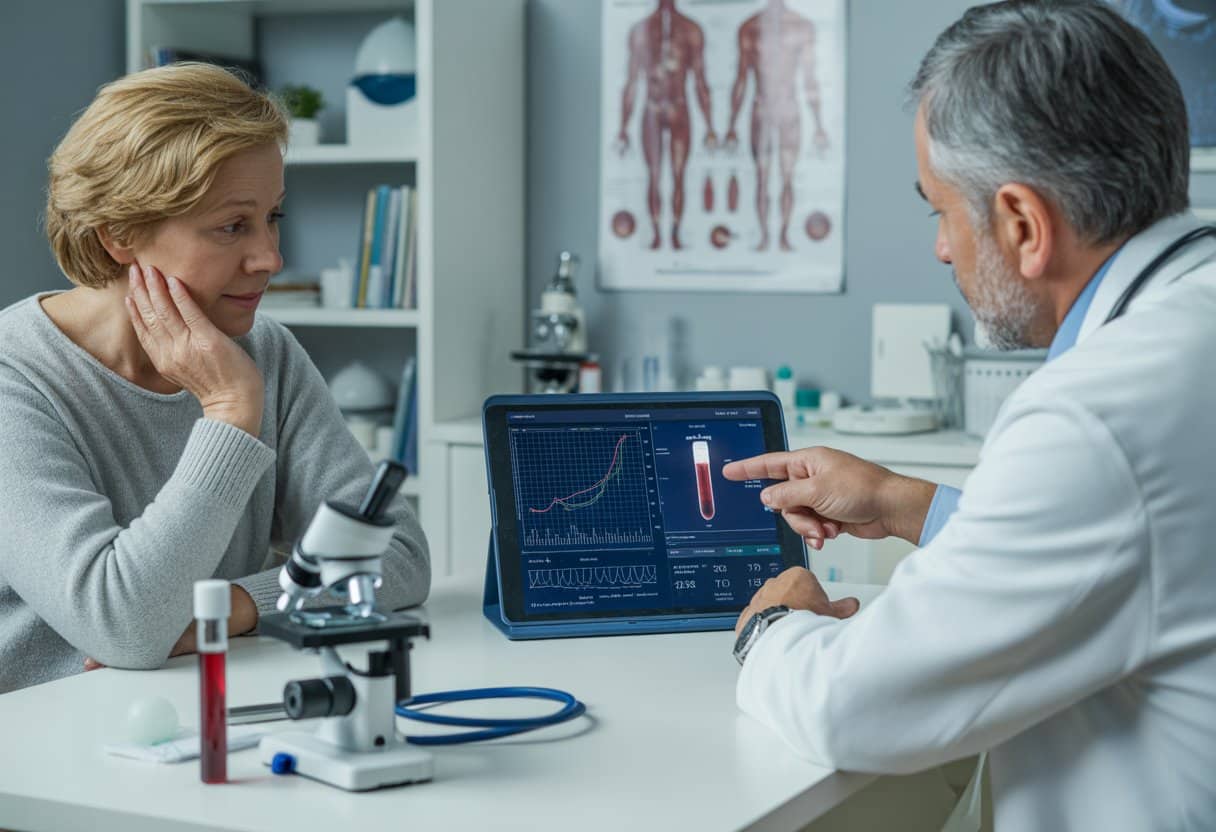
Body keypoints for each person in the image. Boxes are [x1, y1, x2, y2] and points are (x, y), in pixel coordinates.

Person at [723, 1, 1216, 828]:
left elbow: (853, 706)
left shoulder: (1096, 413)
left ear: (1023, 223)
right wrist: (902, 503)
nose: (941, 248)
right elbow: (1127, 557)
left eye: (939, 210)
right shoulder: (1186, 328)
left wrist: (771, 629)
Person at [0, 63, 430, 695]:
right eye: (233, 226)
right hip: (44, 747)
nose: (271, 259)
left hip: (195, 713)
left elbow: (398, 556)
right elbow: (125, 624)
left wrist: (232, 607)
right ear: (119, 233)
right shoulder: (16, 378)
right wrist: (229, 412)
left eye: (272, 217)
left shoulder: (265, 351)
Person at [723, 0, 830, 251]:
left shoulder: (802, 25)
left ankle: (782, 236)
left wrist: (819, 125)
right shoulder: (749, 27)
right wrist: (730, 124)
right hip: (762, 109)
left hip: (788, 109)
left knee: (787, 178)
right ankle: (763, 236)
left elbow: (810, 79)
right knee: (761, 177)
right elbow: (741, 79)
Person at [615, 0, 718, 250]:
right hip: (652, 108)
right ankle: (656, 234)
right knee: (654, 175)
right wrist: (623, 127)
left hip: (679, 107)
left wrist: (710, 126)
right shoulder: (641, 30)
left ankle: (674, 233)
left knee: (678, 175)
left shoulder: (691, 30)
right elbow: (631, 83)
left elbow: (700, 81)